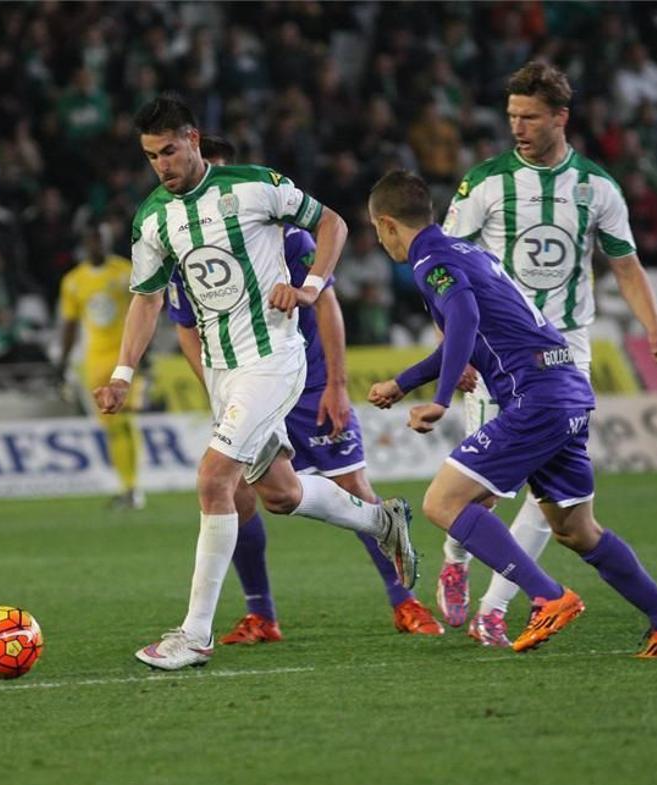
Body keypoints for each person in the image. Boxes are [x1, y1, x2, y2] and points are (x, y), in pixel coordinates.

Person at [93, 96, 415, 671]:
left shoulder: (254, 186)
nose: (162, 165)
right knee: (281, 494)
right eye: (151, 156)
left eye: (169, 151)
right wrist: (122, 373)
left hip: (272, 361)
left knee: (213, 480)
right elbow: (146, 300)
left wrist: (310, 288)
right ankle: (379, 520)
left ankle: (194, 635)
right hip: (223, 372)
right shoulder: (153, 218)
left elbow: (333, 223)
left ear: (193, 139)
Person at [366, 169, 657, 658]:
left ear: (388, 224)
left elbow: (463, 318)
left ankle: (548, 596)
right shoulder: (470, 253)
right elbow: (472, 331)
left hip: (535, 397)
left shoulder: (431, 260)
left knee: (443, 502)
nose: (380, 241)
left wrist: (440, 398)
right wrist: (402, 383)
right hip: (566, 389)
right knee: (575, 530)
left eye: (376, 231)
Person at [438, 62, 657, 647]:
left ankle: (496, 608)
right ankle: (454, 558)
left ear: (560, 118)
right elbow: (445, 269)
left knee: (550, 494)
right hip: (499, 349)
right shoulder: (486, 184)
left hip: (567, 351)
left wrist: (654, 327)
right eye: (512, 116)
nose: (517, 127)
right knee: (482, 492)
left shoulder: (597, 188)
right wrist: (453, 346)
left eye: (530, 117)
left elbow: (625, 266)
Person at [165, 135, 441, 644]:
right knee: (239, 495)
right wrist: (222, 393)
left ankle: (406, 602)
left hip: (306, 382)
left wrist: (336, 385)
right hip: (245, 387)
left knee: (352, 486)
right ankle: (261, 614)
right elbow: (185, 327)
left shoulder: (285, 237)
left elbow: (326, 304)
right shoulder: (184, 247)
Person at [59, 229, 144, 510]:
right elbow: (70, 324)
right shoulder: (73, 281)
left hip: (125, 358)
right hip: (94, 361)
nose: (96, 245)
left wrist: (145, 352)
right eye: (92, 240)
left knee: (126, 421)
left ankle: (133, 487)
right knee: (112, 426)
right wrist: (62, 362)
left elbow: (145, 310)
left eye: (101, 240)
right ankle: (127, 486)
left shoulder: (125, 271)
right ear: (84, 244)